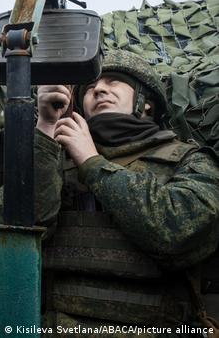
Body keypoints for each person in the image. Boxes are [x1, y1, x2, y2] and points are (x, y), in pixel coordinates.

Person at [29, 50, 219, 335]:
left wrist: (92, 164)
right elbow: (19, 229)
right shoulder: (53, 161)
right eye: (90, 87)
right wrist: (45, 128)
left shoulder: (189, 160)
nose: (99, 89)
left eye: (114, 81)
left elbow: (177, 231)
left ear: (147, 102)